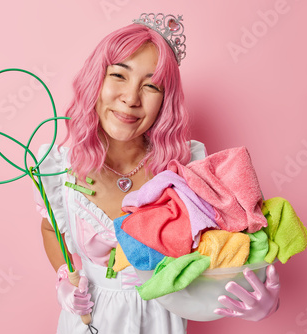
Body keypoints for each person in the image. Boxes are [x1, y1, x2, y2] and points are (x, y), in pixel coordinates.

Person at [34, 13, 280, 333]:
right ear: (97, 78)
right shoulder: (59, 168)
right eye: (119, 75)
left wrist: (260, 299)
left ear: (165, 101)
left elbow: (224, 246)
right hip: (87, 323)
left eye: (151, 86)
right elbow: (51, 229)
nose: (131, 98)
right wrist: (63, 281)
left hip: (161, 321)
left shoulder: (189, 166)